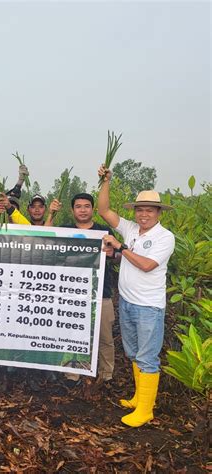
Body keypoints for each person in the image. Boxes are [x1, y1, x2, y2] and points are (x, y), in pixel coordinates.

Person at [98, 165, 175, 427]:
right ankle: (139, 399)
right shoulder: (131, 229)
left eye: (149, 210)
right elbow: (104, 211)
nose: (143, 214)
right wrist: (105, 181)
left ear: (158, 212)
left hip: (149, 306)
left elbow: (146, 265)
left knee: (147, 357)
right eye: (140, 209)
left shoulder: (165, 237)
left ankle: (146, 410)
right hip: (128, 302)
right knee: (133, 353)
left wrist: (120, 247)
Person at [49, 194, 118, 386]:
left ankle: (106, 375)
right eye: (78, 206)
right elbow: (44, 238)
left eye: (86, 206)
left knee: (105, 338)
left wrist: (113, 252)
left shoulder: (104, 231)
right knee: (72, 336)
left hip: (101, 293)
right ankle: (73, 374)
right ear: (72, 211)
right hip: (71, 294)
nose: (82, 210)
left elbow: (119, 254)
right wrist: (51, 214)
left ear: (92, 209)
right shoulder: (65, 230)